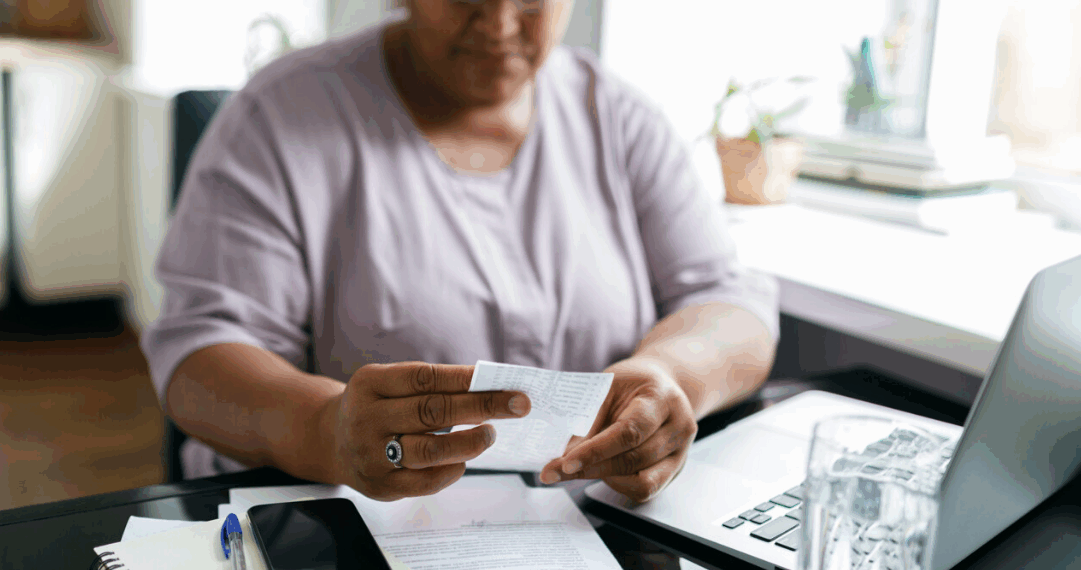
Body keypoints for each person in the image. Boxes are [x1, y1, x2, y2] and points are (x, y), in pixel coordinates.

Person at [141, 0, 779, 503]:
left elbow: (729, 304)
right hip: (345, 525)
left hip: (589, 527)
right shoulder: (279, 117)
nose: (499, 23)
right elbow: (201, 358)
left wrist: (672, 374)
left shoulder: (617, 117)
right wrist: (325, 430)